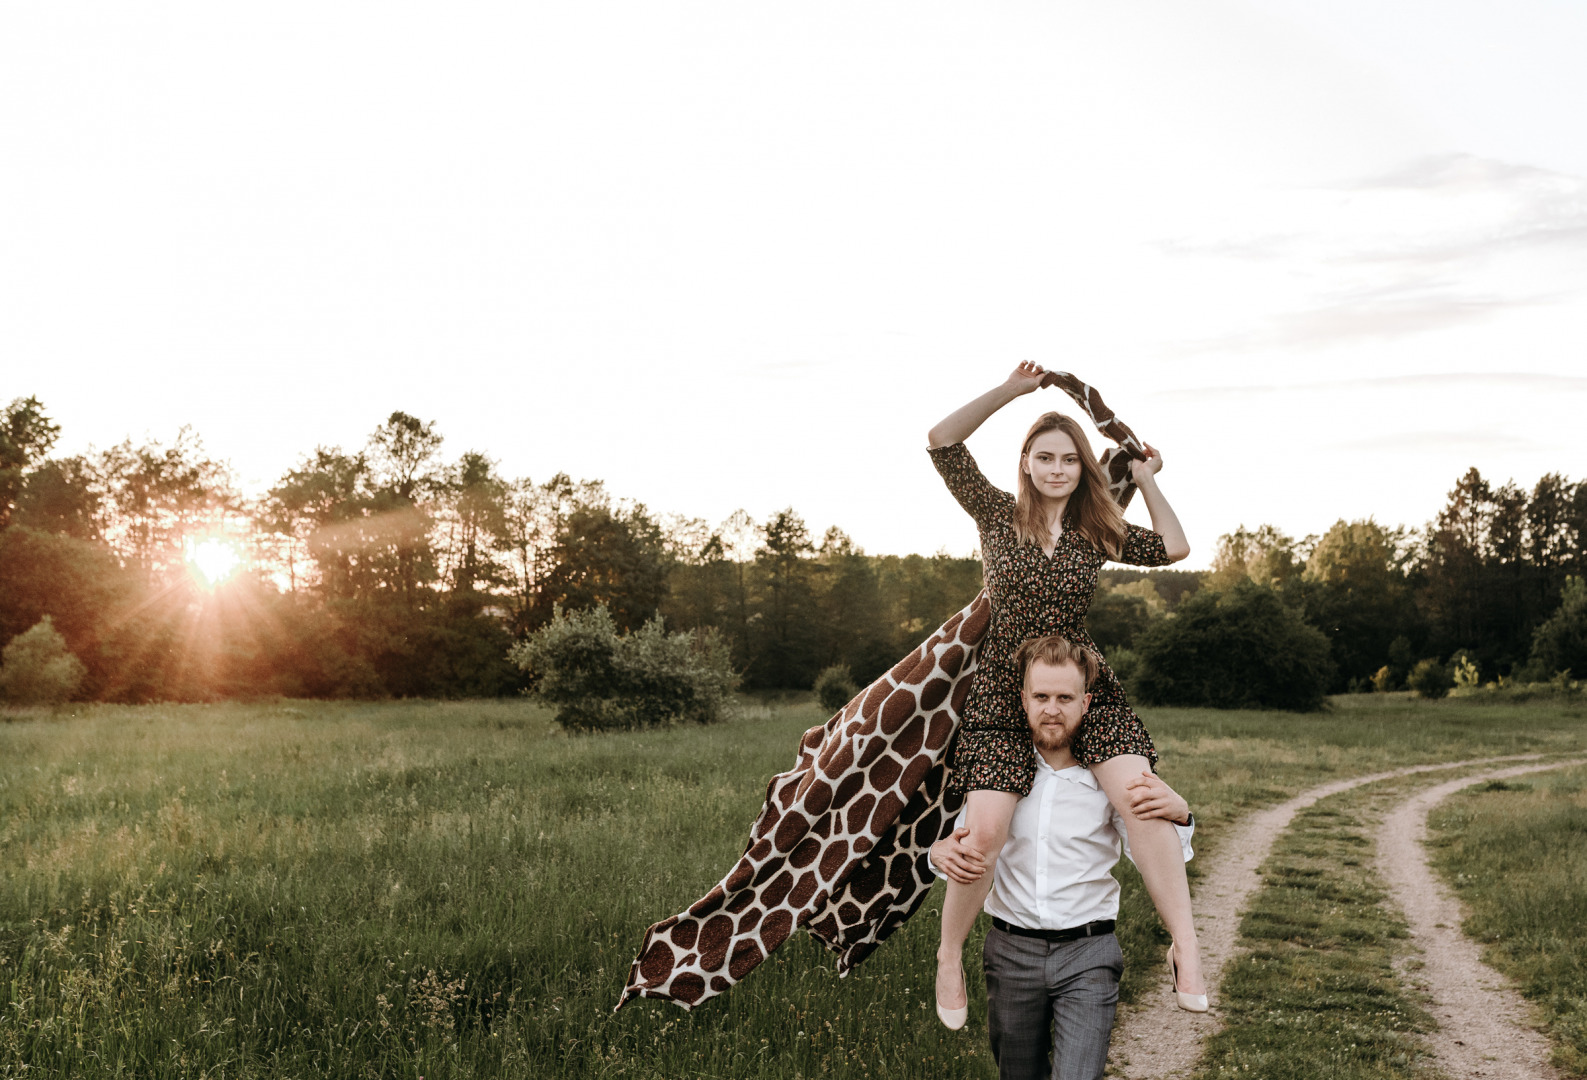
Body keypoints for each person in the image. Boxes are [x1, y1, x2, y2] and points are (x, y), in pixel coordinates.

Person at [927, 361, 1204, 1029]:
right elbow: (940, 440)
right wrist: (1011, 391)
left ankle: (1186, 946)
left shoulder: (1095, 531)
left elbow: (1174, 546)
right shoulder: (993, 512)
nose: (1056, 468)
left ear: (1083, 469)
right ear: (1024, 463)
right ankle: (947, 954)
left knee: (1140, 797)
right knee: (984, 831)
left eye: (1068, 460)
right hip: (1001, 690)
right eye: (1043, 457)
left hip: (1081, 684)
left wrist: (1143, 480)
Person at [930, 634, 1197, 1080]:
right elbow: (964, 853)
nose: (1052, 708)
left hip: (1089, 953)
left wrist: (1182, 815)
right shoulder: (997, 776)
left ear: (1086, 701)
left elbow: (1157, 854)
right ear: (1023, 699)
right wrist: (937, 853)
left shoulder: (1111, 778)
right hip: (1011, 951)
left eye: (1064, 698)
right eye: (1041, 697)